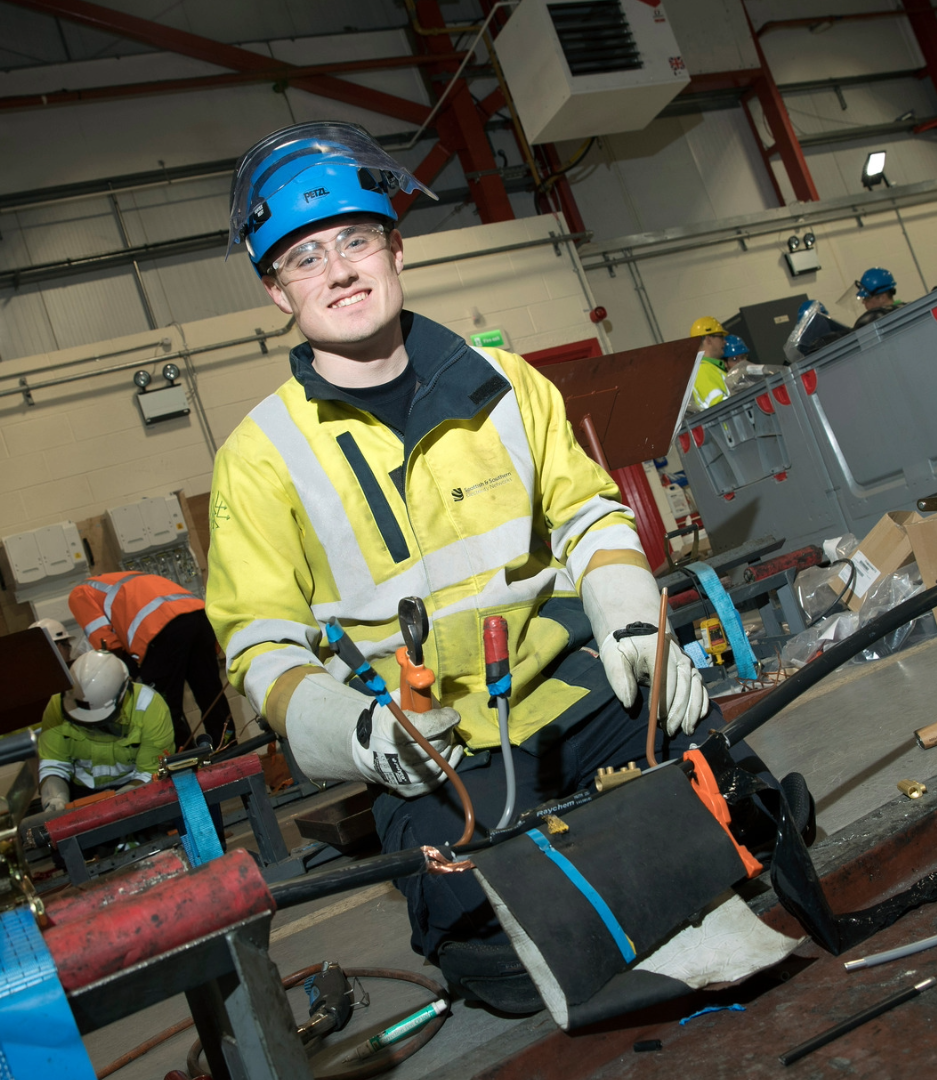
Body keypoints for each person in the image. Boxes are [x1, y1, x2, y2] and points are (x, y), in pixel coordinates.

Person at [205, 120, 719, 1015]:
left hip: (566, 702)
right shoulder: (258, 458)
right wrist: (360, 735)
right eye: (305, 257)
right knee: (490, 953)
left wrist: (637, 625)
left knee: (730, 786)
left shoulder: (508, 383)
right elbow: (259, 647)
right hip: (430, 757)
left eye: (358, 239)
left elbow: (591, 514)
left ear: (396, 249)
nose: (340, 270)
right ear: (276, 292)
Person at [69, 572, 234, 750]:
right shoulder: (125, 579)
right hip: (199, 618)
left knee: (163, 708)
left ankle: (187, 763)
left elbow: (105, 641)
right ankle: (230, 752)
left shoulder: (79, 594)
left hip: (161, 631)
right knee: (211, 696)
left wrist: (127, 672)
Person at [38, 651, 175, 811]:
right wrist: (54, 799)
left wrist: (115, 806)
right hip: (79, 794)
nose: (92, 728)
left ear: (122, 696)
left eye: (100, 723)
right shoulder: (58, 705)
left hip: (135, 788)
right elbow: (54, 763)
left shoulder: (149, 708)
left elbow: (150, 772)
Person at [688, 316, 729, 410]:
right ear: (708, 339)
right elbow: (720, 405)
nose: (724, 341)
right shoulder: (702, 370)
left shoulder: (711, 368)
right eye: (721, 337)